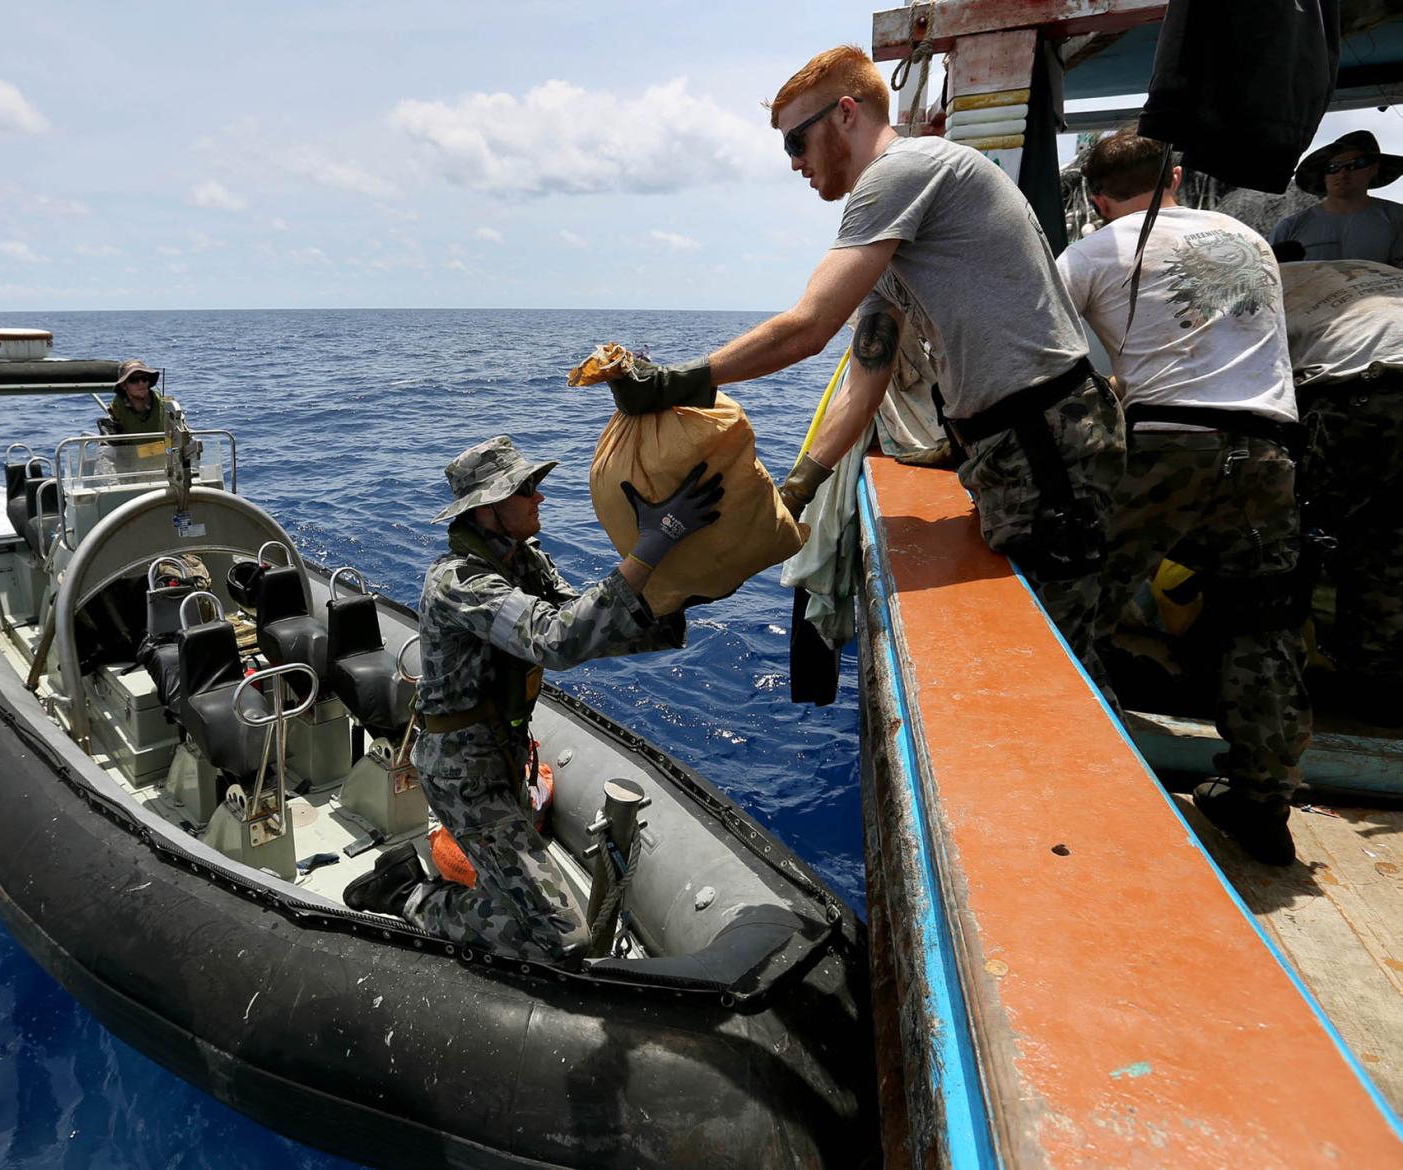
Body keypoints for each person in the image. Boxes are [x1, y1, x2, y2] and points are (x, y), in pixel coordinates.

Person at [606, 44, 1125, 689]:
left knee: (1056, 666)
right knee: (1052, 642)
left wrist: (671, 382)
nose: (795, 164)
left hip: (1044, 444)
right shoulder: (897, 235)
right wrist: (798, 489)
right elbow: (866, 377)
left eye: (797, 141)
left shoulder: (901, 172)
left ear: (846, 113)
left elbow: (807, 329)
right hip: (1016, 444)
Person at [342, 436, 723, 963]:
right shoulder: (459, 583)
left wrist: (679, 594)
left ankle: (471, 891)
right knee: (566, 940)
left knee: (518, 892)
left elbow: (587, 624)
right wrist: (650, 547)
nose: (539, 499)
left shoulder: (525, 562)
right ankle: (410, 894)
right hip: (463, 777)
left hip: (504, 755)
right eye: (525, 490)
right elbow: (558, 639)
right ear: (488, 509)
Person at [1058, 130, 1309, 865]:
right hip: (1268, 448)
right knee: (1264, 624)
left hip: (1166, 445)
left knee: (1081, 603)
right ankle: (1263, 806)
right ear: (1173, 178)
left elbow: (1049, 353)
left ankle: (1085, 770)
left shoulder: (1093, 250)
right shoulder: (1246, 238)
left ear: (1096, 198)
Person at [1278, 258, 1403, 725]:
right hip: (1377, 380)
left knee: (1297, 537)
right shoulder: (1373, 270)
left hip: (1364, 394)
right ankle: (1379, 695)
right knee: (1388, 545)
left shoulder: (1268, 284)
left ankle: (1275, 689)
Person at [1270, 130, 1403, 266]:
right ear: (1324, 175)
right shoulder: (1289, 228)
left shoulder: (1398, 219)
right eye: (1333, 167)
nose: (1342, 173)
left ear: (1374, 168)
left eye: (1354, 164)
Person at [107, 359, 166, 434]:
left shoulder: (166, 406)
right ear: (124, 385)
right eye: (134, 380)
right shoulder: (115, 411)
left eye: (144, 378)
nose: (141, 383)